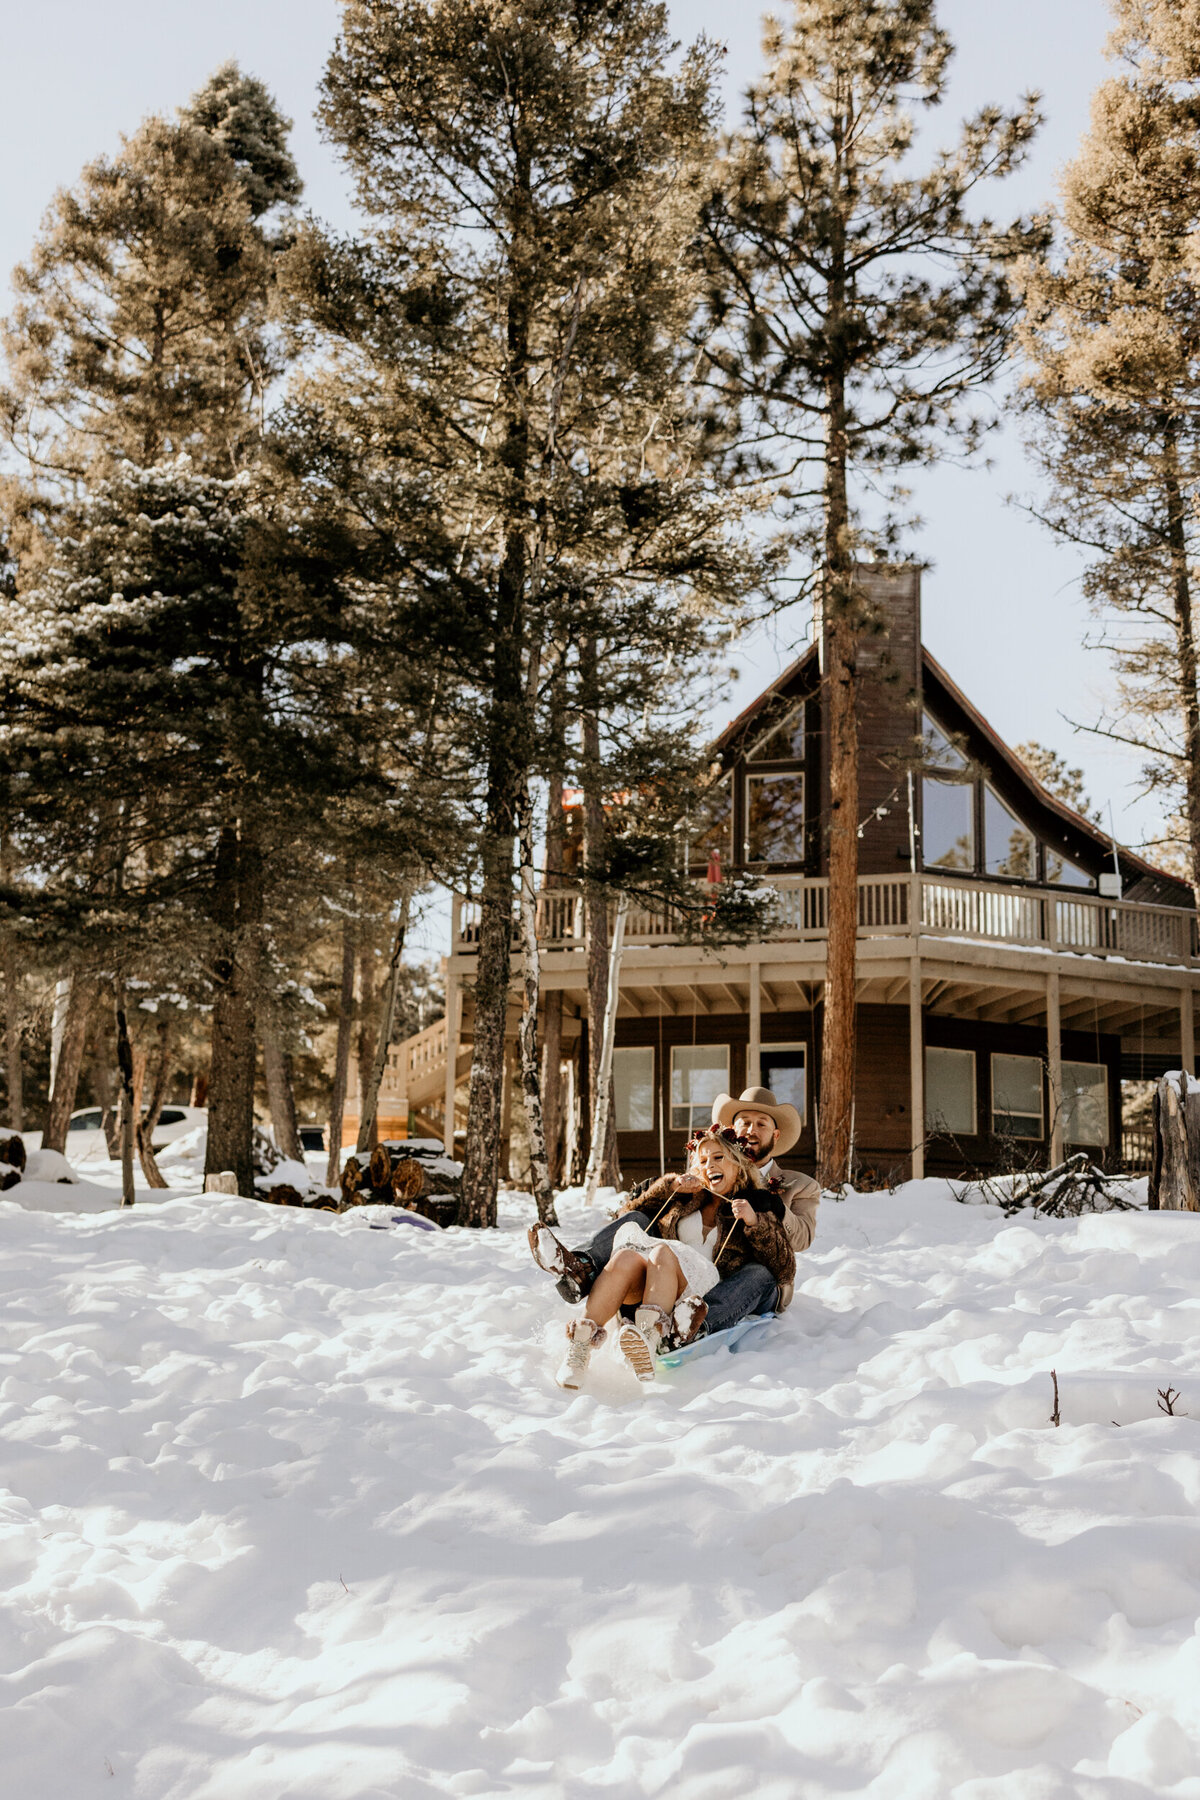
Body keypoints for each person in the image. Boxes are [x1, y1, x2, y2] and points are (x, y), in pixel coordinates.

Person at [547, 1124, 795, 1390]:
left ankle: (649, 1336)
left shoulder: (755, 1204)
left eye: (718, 1157)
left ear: (739, 1164)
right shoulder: (685, 1200)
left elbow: (784, 1268)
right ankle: (579, 1348)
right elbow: (629, 1215)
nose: (709, 1164)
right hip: (659, 1283)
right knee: (625, 1257)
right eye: (702, 1160)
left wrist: (754, 1221)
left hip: (702, 1296)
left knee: (663, 1251)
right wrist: (671, 1187)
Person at [709, 1086, 820, 1309]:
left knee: (755, 1272)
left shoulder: (802, 1186)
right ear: (732, 1130)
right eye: (745, 1123)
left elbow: (803, 1239)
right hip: (710, 1272)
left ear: (775, 1135)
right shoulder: (712, 1175)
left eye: (762, 1124)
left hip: (763, 1281)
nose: (752, 1130)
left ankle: (699, 1326)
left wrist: (778, 1208)